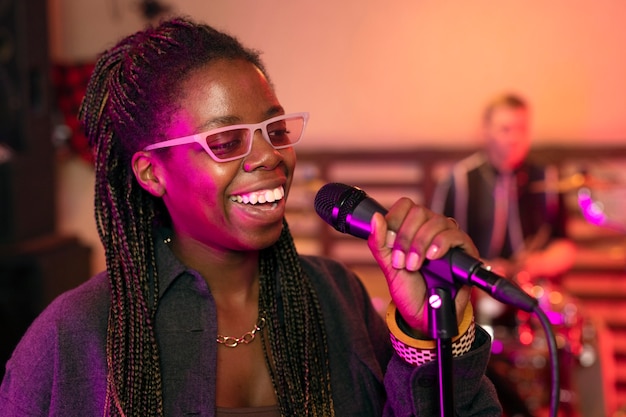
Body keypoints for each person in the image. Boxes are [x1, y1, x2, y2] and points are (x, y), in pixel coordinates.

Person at [0, 17, 501, 416]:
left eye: (274, 129)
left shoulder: (335, 296)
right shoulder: (72, 337)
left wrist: (434, 327)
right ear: (152, 173)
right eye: (224, 141)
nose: (268, 157)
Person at [431, 93, 577, 415]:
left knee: (582, 328)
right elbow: (436, 250)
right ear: (485, 131)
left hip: (534, 294)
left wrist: (537, 262)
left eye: (521, 129)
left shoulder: (547, 179)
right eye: (504, 129)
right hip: (477, 295)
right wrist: (482, 268)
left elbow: (566, 246)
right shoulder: (458, 181)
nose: (513, 139)